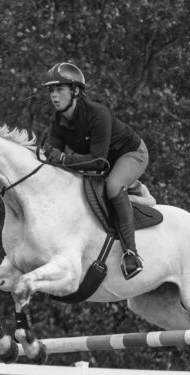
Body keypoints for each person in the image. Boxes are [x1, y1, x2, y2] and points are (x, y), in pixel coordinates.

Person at [41, 62, 147, 279]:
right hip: (104, 162)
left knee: (113, 186)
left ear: (76, 91)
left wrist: (63, 158)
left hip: (131, 154)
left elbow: (98, 162)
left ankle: (131, 254)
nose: (54, 95)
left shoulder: (98, 114)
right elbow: (55, 164)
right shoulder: (58, 121)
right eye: (51, 90)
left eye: (60, 89)